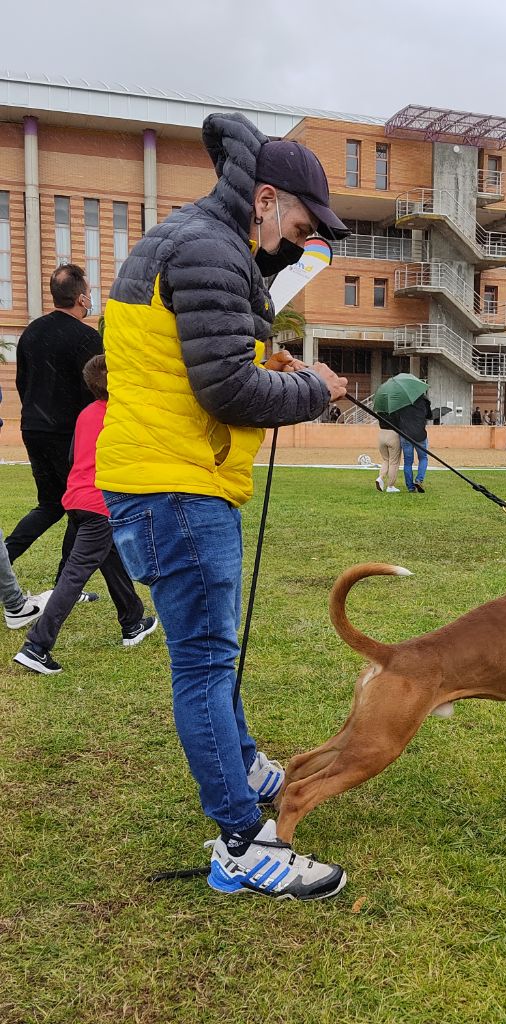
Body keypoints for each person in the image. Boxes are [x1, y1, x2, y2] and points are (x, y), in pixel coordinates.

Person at [95, 113, 350, 902]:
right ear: (265, 199)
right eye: (298, 229)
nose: (294, 245)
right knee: (204, 660)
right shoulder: (210, 247)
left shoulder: (195, 241)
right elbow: (227, 391)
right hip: (175, 487)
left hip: (166, 479)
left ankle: (244, 767)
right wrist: (315, 389)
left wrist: (262, 355)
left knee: (210, 653)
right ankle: (242, 844)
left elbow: (190, 357)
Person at [13, 356, 157, 675]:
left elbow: (73, 455)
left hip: (77, 500)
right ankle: (36, 647)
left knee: (110, 559)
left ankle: (133, 622)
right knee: (74, 576)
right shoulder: (124, 416)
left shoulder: (86, 414)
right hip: (100, 503)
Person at [5, 264, 103, 587]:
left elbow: (22, 382)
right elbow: (94, 391)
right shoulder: (88, 338)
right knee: (78, 510)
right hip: (68, 434)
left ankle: (4, 554)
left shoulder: (31, 332)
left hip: (32, 428)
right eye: (87, 292)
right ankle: (66, 586)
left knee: (50, 504)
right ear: (80, 297)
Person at [390, 392, 433, 493]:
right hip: (420, 434)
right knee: (423, 458)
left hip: (405, 435)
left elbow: (396, 418)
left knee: (408, 462)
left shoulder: (402, 402)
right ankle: (419, 480)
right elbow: (429, 416)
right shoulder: (424, 401)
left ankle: (410, 487)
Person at [375, 421, 401, 493]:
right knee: (394, 462)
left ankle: (380, 478)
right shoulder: (396, 410)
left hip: (382, 434)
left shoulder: (381, 411)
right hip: (393, 434)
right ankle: (390, 486)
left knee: (385, 460)